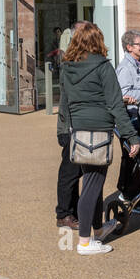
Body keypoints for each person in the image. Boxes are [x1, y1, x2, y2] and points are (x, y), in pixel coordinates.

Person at [57, 22, 140, 256]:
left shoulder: (67, 67)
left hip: (78, 130)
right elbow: (116, 105)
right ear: (97, 41)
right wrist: (131, 136)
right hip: (100, 130)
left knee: (92, 182)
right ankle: (85, 242)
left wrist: (63, 131)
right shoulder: (104, 67)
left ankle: (97, 229)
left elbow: (64, 104)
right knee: (93, 185)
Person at [52, 21, 88, 229]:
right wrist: (63, 130)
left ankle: (73, 210)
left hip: (80, 125)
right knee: (69, 171)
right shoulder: (70, 64)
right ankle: (64, 214)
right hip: (72, 126)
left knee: (78, 170)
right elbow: (67, 100)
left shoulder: (83, 61)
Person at [114, 30, 140, 194]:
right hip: (130, 118)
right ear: (129, 47)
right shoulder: (125, 69)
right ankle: (126, 191)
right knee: (131, 156)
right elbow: (123, 95)